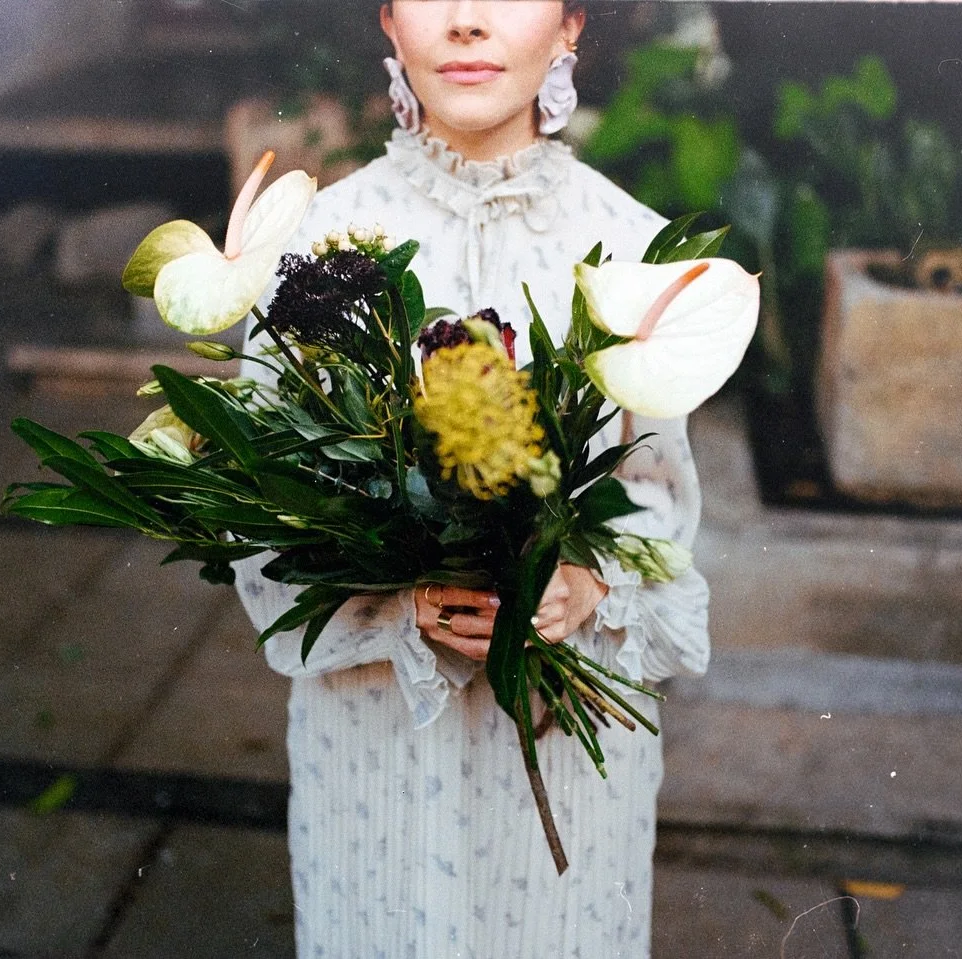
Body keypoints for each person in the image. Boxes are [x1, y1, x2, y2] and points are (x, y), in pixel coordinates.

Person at [233, 3, 710, 955]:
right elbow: (264, 519)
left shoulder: (632, 250)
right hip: (381, 732)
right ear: (388, 19)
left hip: (564, 738)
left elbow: (655, 496)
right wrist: (394, 604)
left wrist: (588, 580)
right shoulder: (314, 251)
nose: (465, 22)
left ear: (570, 24)